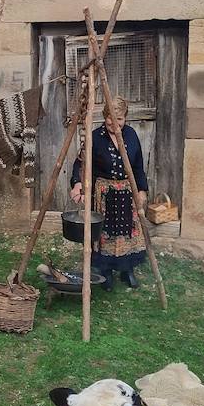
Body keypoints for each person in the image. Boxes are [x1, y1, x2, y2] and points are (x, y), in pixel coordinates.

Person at [69, 96, 149, 290]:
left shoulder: (131, 135)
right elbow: (80, 163)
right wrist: (77, 184)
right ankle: (106, 272)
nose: (115, 123)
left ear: (125, 118)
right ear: (105, 117)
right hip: (104, 195)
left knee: (127, 233)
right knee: (106, 234)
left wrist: (142, 190)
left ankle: (127, 270)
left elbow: (138, 166)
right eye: (110, 118)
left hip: (126, 195)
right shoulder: (95, 137)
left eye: (119, 118)